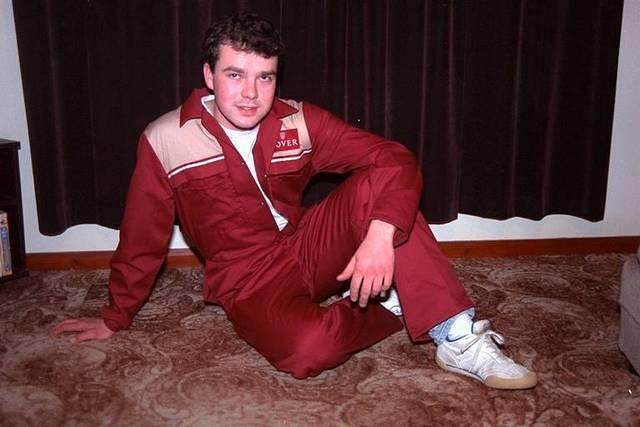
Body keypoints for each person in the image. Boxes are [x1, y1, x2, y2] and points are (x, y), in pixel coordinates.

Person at [52, 12, 537, 389]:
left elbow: (393, 158)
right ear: (209, 74)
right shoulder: (165, 139)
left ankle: (455, 335)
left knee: (384, 189)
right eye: (235, 75)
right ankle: (396, 307)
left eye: (265, 77)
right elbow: (142, 236)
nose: (250, 93)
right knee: (307, 353)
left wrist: (378, 237)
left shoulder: (299, 121)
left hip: (306, 245)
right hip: (246, 279)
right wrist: (115, 315)